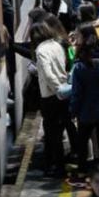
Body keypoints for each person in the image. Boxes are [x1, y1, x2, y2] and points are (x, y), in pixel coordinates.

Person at [69, 25, 99, 171]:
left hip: (86, 111)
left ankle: (82, 172)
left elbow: (76, 93)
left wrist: (73, 111)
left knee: (82, 142)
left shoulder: (80, 66)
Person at [33, 21, 74, 178]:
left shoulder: (41, 50)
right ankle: (54, 164)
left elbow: (48, 73)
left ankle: (58, 167)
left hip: (51, 96)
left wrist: (57, 89)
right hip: (63, 90)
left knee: (52, 133)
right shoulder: (57, 44)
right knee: (59, 128)